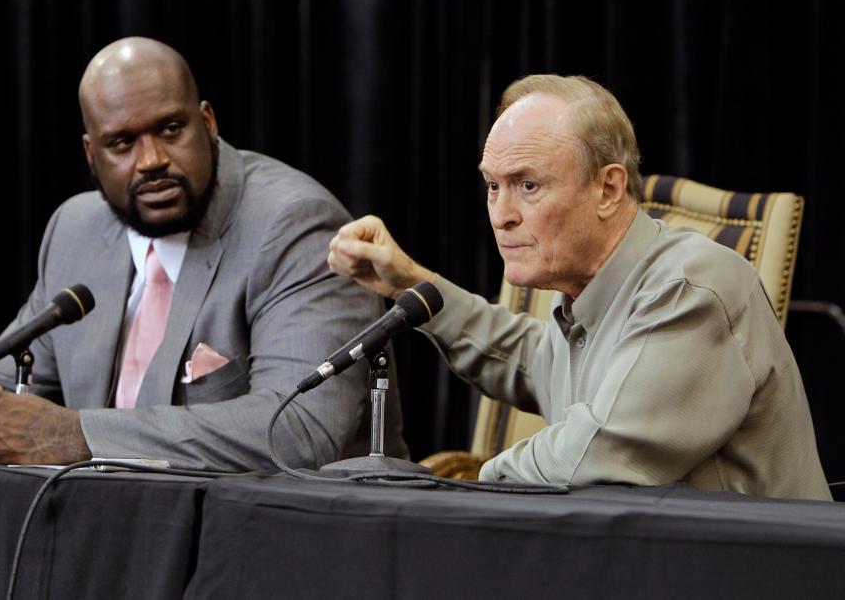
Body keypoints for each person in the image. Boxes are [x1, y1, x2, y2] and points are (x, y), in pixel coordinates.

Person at [327, 74, 831, 500]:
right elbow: (529, 360)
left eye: (528, 185)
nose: (501, 215)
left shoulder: (690, 285)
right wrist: (412, 284)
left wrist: (460, 492)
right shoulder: (586, 296)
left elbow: (598, 452)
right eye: (492, 186)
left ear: (608, 189)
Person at [0, 36, 406, 470]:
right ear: (92, 154)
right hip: (106, 534)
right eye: (122, 143)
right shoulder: (77, 231)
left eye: (171, 129)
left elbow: (300, 429)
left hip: (267, 544)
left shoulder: (295, 224)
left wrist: (72, 435)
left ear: (208, 122)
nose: (151, 160)